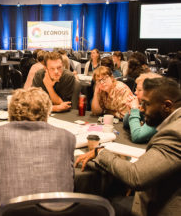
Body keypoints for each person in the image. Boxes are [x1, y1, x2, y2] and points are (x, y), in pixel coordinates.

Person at [75, 77, 181, 216]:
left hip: (161, 208)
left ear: (167, 106)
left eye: (146, 104)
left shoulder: (175, 133)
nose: (141, 109)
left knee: (98, 205)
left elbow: (136, 176)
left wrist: (100, 153)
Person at [0, 87, 75, 216]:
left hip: (6, 212)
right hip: (56, 212)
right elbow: (71, 183)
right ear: (47, 112)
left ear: (11, 112)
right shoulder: (67, 137)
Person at [123, 72, 161, 143]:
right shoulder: (146, 106)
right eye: (136, 89)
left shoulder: (158, 111)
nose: (135, 92)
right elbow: (126, 123)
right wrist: (130, 110)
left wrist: (134, 109)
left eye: (139, 90)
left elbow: (137, 137)